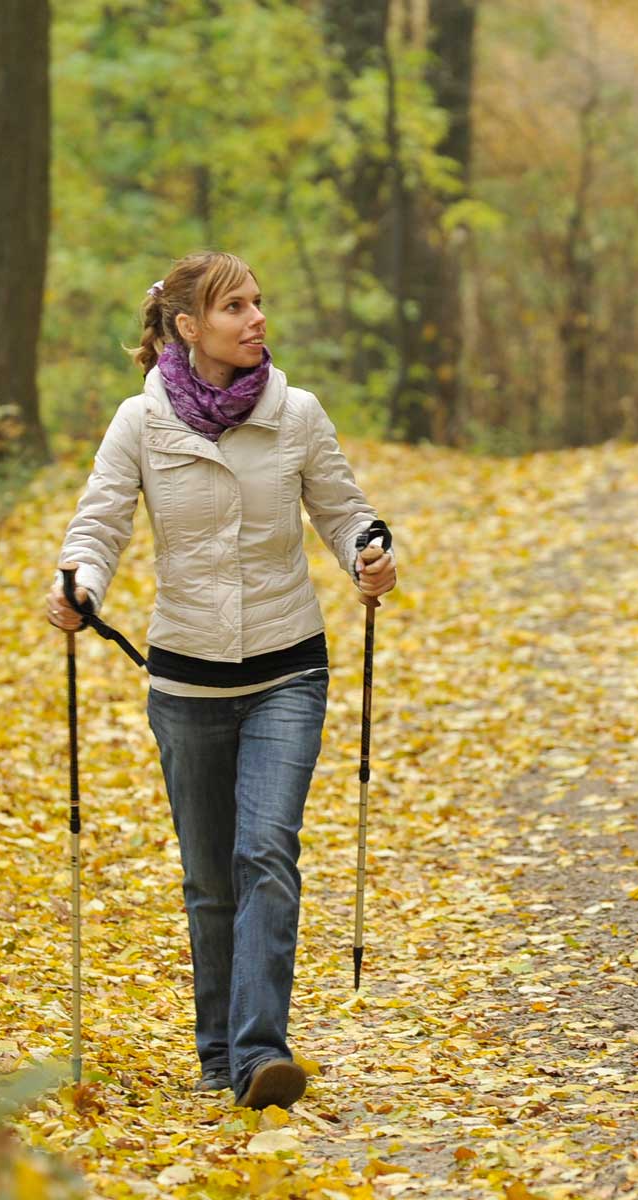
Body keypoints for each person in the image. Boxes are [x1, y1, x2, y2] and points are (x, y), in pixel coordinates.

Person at [46, 251, 396, 1109]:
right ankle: (216, 1051)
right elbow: (99, 524)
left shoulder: (298, 414)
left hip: (288, 668)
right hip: (186, 680)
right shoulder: (140, 422)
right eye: (234, 306)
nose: (255, 318)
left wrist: (370, 555)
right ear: (186, 328)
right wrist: (78, 585)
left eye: (259, 302)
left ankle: (258, 1054)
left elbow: (348, 513)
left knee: (265, 852)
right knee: (209, 876)